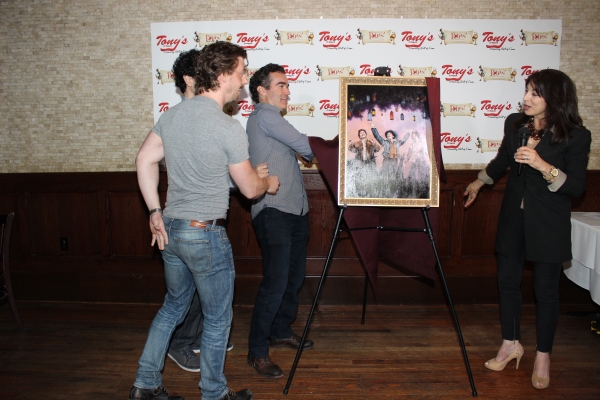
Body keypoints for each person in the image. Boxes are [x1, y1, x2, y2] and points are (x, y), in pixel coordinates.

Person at [131, 41, 279, 400]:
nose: (244, 79)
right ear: (224, 75)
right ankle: (214, 393)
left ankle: (145, 385)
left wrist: (154, 211)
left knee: (173, 307)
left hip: (172, 229)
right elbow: (248, 189)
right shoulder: (226, 126)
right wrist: (267, 183)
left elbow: (143, 160)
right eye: (242, 71)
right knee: (216, 320)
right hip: (204, 235)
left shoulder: (173, 115)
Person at [463, 69, 591, 390]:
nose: (527, 98)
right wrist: (480, 181)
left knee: (546, 291)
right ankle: (511, 344)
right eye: (527, 91)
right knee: (507, 283)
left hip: (548, 222)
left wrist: (543, 165)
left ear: (556, 98)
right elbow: (503, 159)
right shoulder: (515, 123)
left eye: (536, 93)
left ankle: (543, 355)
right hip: (513, 219)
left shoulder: (576, 135)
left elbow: (576, 187)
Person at [165, 48, 234, 374]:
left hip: (192, 221)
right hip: (192, 222)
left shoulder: (209, 118)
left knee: (190, 298)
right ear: (190, 79)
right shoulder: (177, 117)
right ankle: (185, 349)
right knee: (186, 300)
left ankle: (150, 375)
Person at [245, 63, 315, 379]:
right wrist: (349, 142)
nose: (288, 90)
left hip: (294, 211)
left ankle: (281, 330)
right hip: (274, 211)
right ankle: (258, 352)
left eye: (288, 85)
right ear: (262, 90)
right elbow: (306, 146)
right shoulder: (266, 115)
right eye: (282, 85)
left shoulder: (272, 120)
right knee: (276, 283)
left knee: (292, 278)